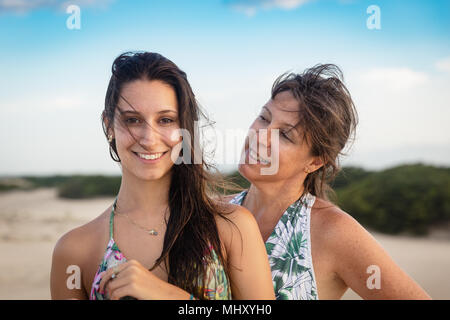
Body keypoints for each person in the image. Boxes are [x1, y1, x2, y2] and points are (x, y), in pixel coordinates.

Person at [50, 51, 275, 300]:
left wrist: (169, 297)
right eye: (133, 120)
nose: (149, 139)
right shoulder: (74, 252)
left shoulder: (232, 227)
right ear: (108, 126)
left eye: (166, 120)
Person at [225, 64, 431, 300]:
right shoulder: (214, 212)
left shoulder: (333, 232)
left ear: (315, 162)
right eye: (264, 118)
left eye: (284, 135)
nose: (261, 137)